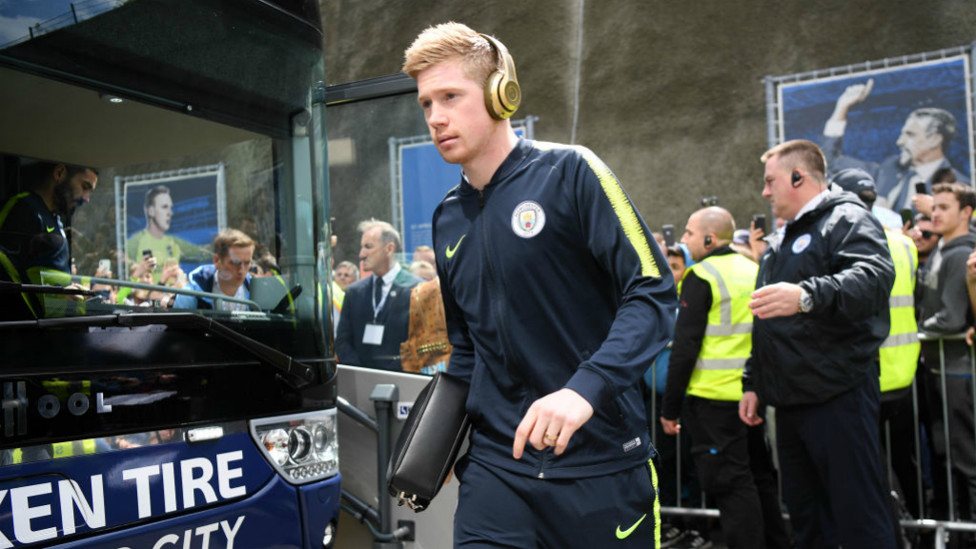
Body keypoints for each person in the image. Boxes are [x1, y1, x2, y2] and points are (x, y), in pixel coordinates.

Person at [403, 22, 676, 547]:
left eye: (451, 97)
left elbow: (652, 292)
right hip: (496, 472)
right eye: (426, 103)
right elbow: (467, 348)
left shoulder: (572, 172)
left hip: (601, 466)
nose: (435, 117)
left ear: (500, 93)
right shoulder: (447, 218)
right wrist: (440, 441)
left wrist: (584, 389)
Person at [739, 139, 895, 548]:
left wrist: (807, 295)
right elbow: (766, 319)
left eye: (770, 181)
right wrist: (753, 381)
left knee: (859, 517)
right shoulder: (781, 239)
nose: (764, 192)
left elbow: (873, 279)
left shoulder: (846, 218)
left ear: (798, 177)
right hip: (790, 400)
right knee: (807, 519)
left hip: (838, 394)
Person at [660, 206, 789, 549]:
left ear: (709, 238)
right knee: (759, 479)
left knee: (732, 486)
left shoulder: (701, 275)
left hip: (713, 400)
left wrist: (670, 407)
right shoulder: (753, 269)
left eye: (689, 233)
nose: (684, 240)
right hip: (751, 396)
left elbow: (685, 347)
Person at [830, 168, 923, 524]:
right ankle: (918, 526)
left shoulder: (846, 242)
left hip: (867, 374)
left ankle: (888, 530)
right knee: (905, 459)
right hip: (904, 373)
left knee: (869, 466)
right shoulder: (904, 244)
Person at [916, 182, 976, 523]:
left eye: (943, 207)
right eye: (933, 207)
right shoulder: (944, 249)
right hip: (940, 367)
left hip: (958, 369)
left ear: (966, 212)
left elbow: (951, 318)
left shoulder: (959, 254)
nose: (934, 213)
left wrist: (916, 330)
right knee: (946, 455)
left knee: (965, 458)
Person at [822, 78, 969, 212]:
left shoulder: (958, 184)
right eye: (902, 134)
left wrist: (932, 211)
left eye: (910, 135)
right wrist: (841, 108)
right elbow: (830, 162)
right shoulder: (890, 168)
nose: (900, 142)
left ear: (934, 140)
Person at [335, 219, 421, 371]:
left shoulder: (417, 289)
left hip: (403, 380)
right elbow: (343, 341)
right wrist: (362, 374)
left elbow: (420, 343)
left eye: (368, 247)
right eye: (362, 247)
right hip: (359, 380)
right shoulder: (354, 292)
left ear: (389, 249)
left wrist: (388, 375)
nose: (361, 254)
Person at [0, 161, 97, 283]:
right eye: (85, 187)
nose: (86, 198)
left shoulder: (56, 219)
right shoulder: (22, 207)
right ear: (59, 173)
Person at [125, 185, 208, 282]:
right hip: (150, 292)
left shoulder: (174, 242)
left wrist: (182, 279)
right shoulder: (134, 243)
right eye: (164, 207)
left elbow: (201, 253)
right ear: (151, 211)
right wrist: (138, 272)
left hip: (172, 291)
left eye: (170, 208)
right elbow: (124, 284)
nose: (170, 213)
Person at [172, 228, 255, 310]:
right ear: (217, 261)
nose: (241, 270)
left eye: (247, 263)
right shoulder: (189, 295)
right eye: (235, 262)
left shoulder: (256, 292)